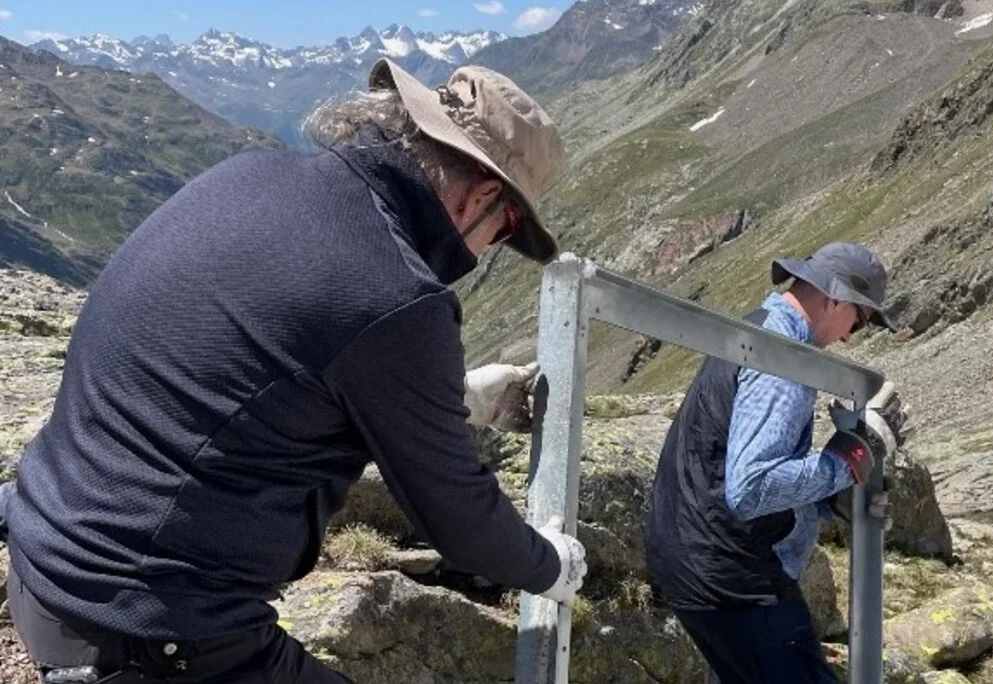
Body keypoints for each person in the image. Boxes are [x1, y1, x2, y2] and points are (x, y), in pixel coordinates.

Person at [3, 58, 586, 684]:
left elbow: (264, 368)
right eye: (506, 230)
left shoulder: (250, 174)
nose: (491, 245)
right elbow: (462, 524)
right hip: (150, 629)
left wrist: (455, 398)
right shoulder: (398, 295)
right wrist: (553, 567)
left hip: (45, 559)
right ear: (484, 195)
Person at [643, 242, 908, 684]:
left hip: (697, 559)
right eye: (857, 320)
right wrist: (850, 459)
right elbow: (751, 488)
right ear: (835, 298)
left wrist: (826, 498)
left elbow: (729, 463)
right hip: (733, 574)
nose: (848, 335)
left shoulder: (756, 332)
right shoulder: (783, 358)